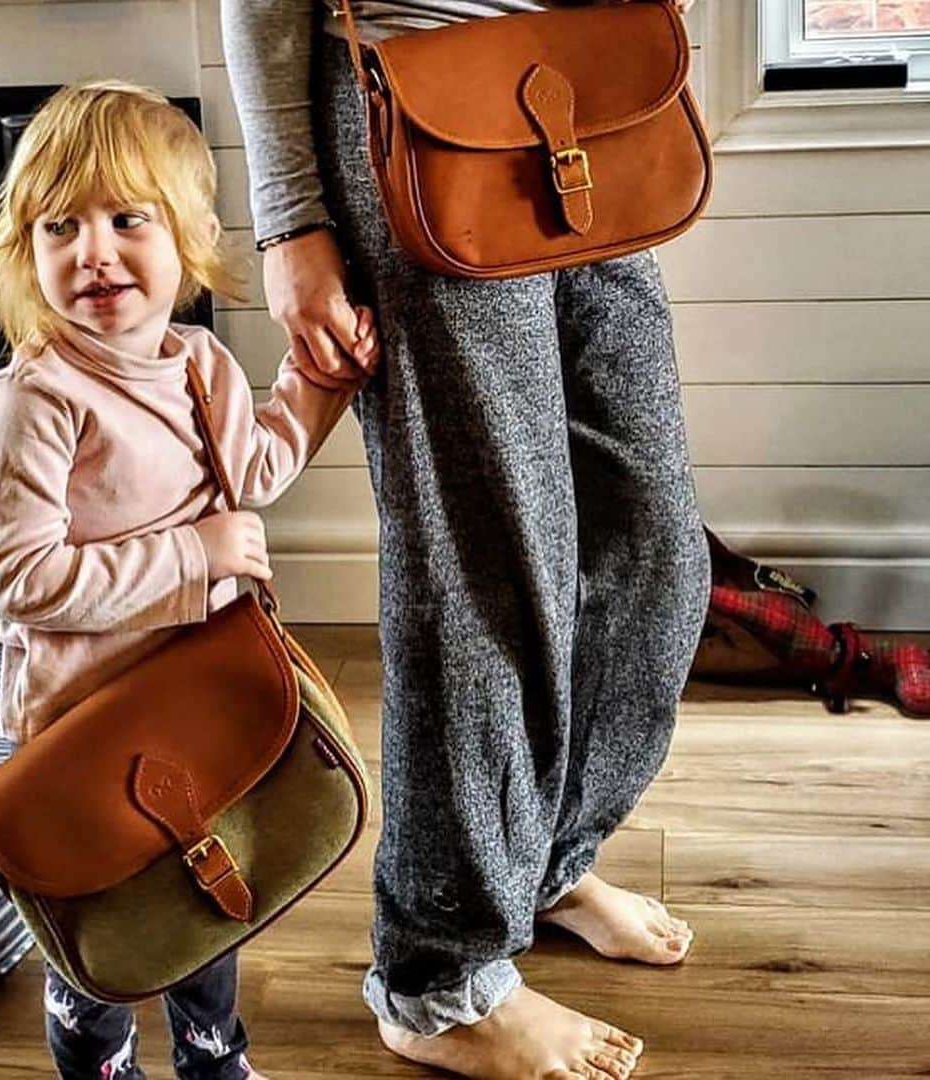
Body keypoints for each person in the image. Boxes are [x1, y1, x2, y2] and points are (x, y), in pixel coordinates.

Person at [222, 1, 707, 1078]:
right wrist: (292, 222)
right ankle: (438, 979)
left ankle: (539, 860)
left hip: (583, 81)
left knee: (657, 548)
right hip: (408, 103)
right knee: (485, 569)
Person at [0, 79, 377, 1080]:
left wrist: (321, 384)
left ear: (186, 241)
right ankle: (99, 1067)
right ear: (28, 257)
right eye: (61, 228)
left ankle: (212, 1060)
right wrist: (196, 559)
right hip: (79, 718)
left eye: (126, 219)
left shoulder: (197, 366)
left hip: (194, 693)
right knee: (99, 933)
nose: (93, 251)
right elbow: (21, 584)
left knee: (202, 904)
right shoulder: (33, 408)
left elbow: (256, 467)